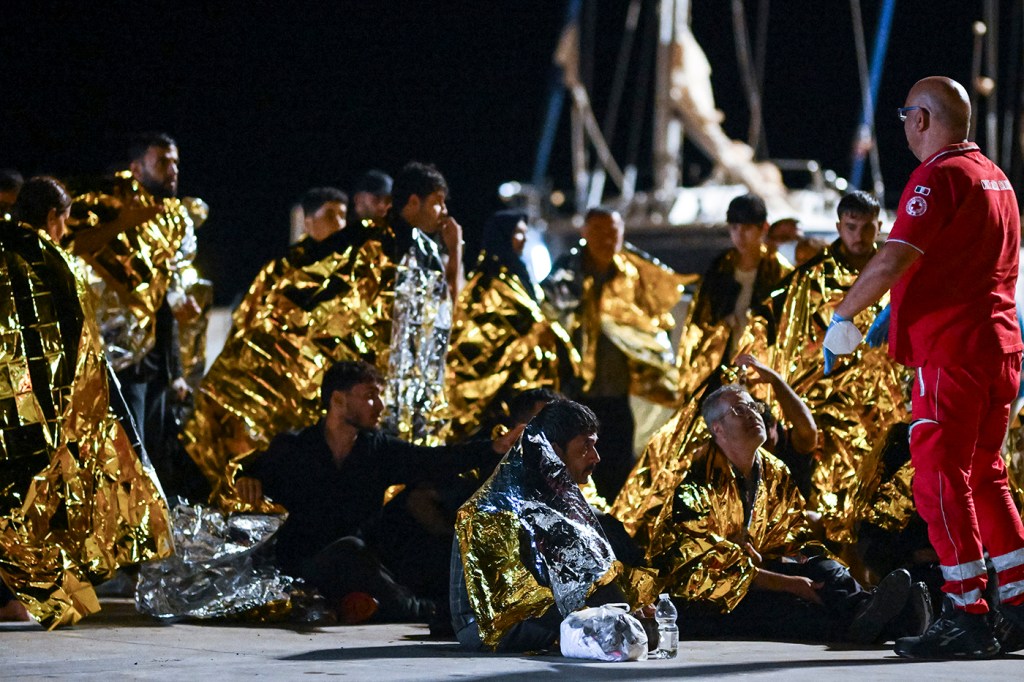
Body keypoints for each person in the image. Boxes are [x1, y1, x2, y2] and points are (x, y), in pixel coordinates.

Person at [824, 76, 1024, 659]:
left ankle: (966, 612)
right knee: (986, 474)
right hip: (1000, 349)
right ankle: (1015, 601)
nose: (905, 125)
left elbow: (893, 257)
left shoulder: (937, 177)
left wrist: (845, 316)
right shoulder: (998, 179)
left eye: (906, 114)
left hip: (952, 352)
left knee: (939, 482)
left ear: (921, 119)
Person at [1, 177, 172, 627]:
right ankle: (33, 594)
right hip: (44, 412)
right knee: (35, 500)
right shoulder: (53, 260)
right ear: (56, 218)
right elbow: (83, 346)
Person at [235, 361, 522, 623]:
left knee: (404, 534)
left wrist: (493, 448)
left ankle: (364, 605)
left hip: (365, 563)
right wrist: (246, 478)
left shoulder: (377, 449)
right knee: (349, 551)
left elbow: (434, 460)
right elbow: (247, 471)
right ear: (338, 400)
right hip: (306, 566)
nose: (380, 405)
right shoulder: (293, 448)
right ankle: (423, 610)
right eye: (370, 395)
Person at [649, 384, 930, 644]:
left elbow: (795, 537)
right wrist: (790, 583)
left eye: (753, 406)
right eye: (739, 410)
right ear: (718, 429)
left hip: (759, 569)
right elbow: (699, 569)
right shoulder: (696, 486)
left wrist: (800, 566)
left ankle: (869, 608)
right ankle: (898, 623)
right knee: (788, 609)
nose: (752, 414)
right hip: (710, 596)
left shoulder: (774, 471)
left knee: (825, 569)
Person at [182, 186, 389, 507]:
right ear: (308, 223)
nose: (340, 223)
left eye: (343, 216)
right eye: (331, 215)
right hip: (272, 386)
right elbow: (249, 323)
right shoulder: (284, 270)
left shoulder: (351, 272)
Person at [452, 399, 658, 651]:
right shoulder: (498, 506)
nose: (596, 457)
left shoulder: (557, 498)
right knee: (611, 625)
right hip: (488, 625)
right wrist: (598, 614)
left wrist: (624, 605)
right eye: (586, 446)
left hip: (538, 614)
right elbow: (505, 600)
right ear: (555, 451)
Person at [67, 132, 206, 499]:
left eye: (175, 161)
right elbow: (73, 244)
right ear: (136, 167)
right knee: (128, 453)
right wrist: (125, 221)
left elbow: (170, 282)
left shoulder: (175, 219)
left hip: (158, 359)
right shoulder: (108, 204)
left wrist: (180, 303)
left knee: (157, 453)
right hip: (121, 358)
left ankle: (157, 540)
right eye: (162, 161)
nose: (173, 169)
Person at [542, 206, 691, 501]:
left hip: (620, 392)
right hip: (577, 393)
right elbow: (548, 315)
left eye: (613, 231)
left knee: (620, 466)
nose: (607, 239)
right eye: (599, 231)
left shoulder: (634, 272)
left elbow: (655, 315)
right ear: (585, 233)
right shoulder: (566, 274)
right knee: (576, 465)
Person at [445, 209, 578, 443]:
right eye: (518, 233)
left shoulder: (519, 275)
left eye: (525, 233)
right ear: (503, 236)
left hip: (528, 379)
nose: (524, 239)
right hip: (501, 391)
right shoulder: (488, 280)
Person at [379, 161, 463, 445]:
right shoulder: (395, 249)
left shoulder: (424, 251)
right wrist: (455, 250)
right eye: (438, 202)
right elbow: (452, 307)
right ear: (414, 203)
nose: (444, 212)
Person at [687, 193, 792, 355]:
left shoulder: (779, 272)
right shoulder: (719, 268)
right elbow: (702, 319)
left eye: (747, 228)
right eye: (734, 228)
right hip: (721, 360)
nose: (740, 235)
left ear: (764, 228)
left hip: (761, 362)